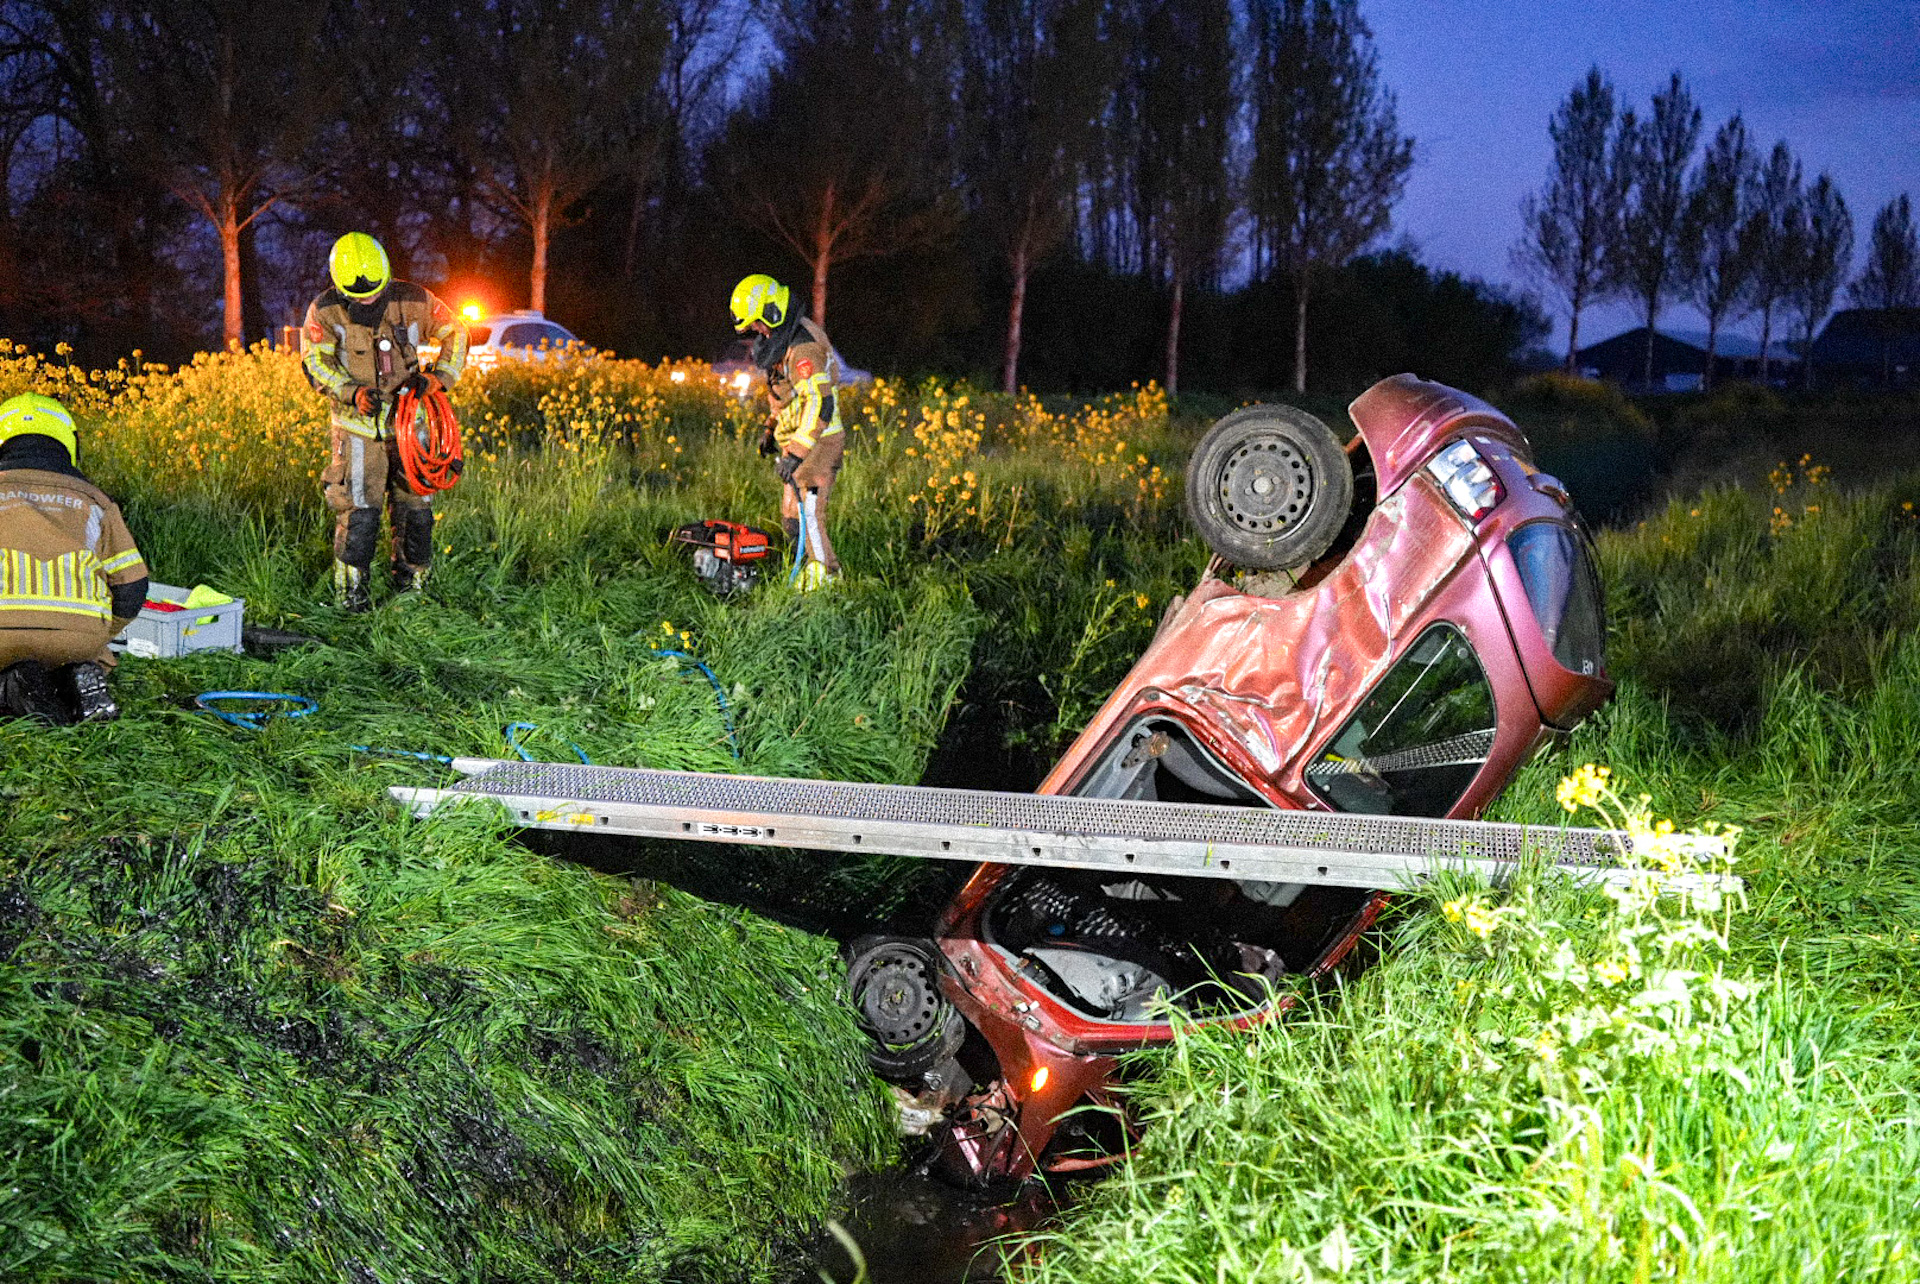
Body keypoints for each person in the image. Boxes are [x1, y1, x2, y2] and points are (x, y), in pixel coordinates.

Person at [300, 232, 468, 612]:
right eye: (359, 295)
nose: (369, 299)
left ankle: (412, 594)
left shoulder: (415, 299)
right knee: (359, 514)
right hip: (358, 432)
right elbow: (314, 363)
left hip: (413, 429)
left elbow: (455, 332)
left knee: (417, 512)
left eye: (375, 290)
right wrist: (351, 392)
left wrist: (439, 377)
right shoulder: (324, 311)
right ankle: (351, 600)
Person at [0, 393, 149, 724]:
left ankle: (10, 688)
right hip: (77, 637)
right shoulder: (96, 501)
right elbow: (133, 585)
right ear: (68, 443)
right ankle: (75, 676)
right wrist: (100, 631)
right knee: (83, 657)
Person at [729, 273, 845, 589]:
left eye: (758, 324)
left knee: (809, 511)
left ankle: (828, 577)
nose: (759, 332)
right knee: (791, 514)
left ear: (773, 311)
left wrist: (796, 454)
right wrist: (771, 429)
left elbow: (819, 405)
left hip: (819, 443)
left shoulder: (803, 348)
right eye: (753, 328)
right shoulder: (782, 343)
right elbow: (783, 395)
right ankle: (798, 566)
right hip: (797, 440)